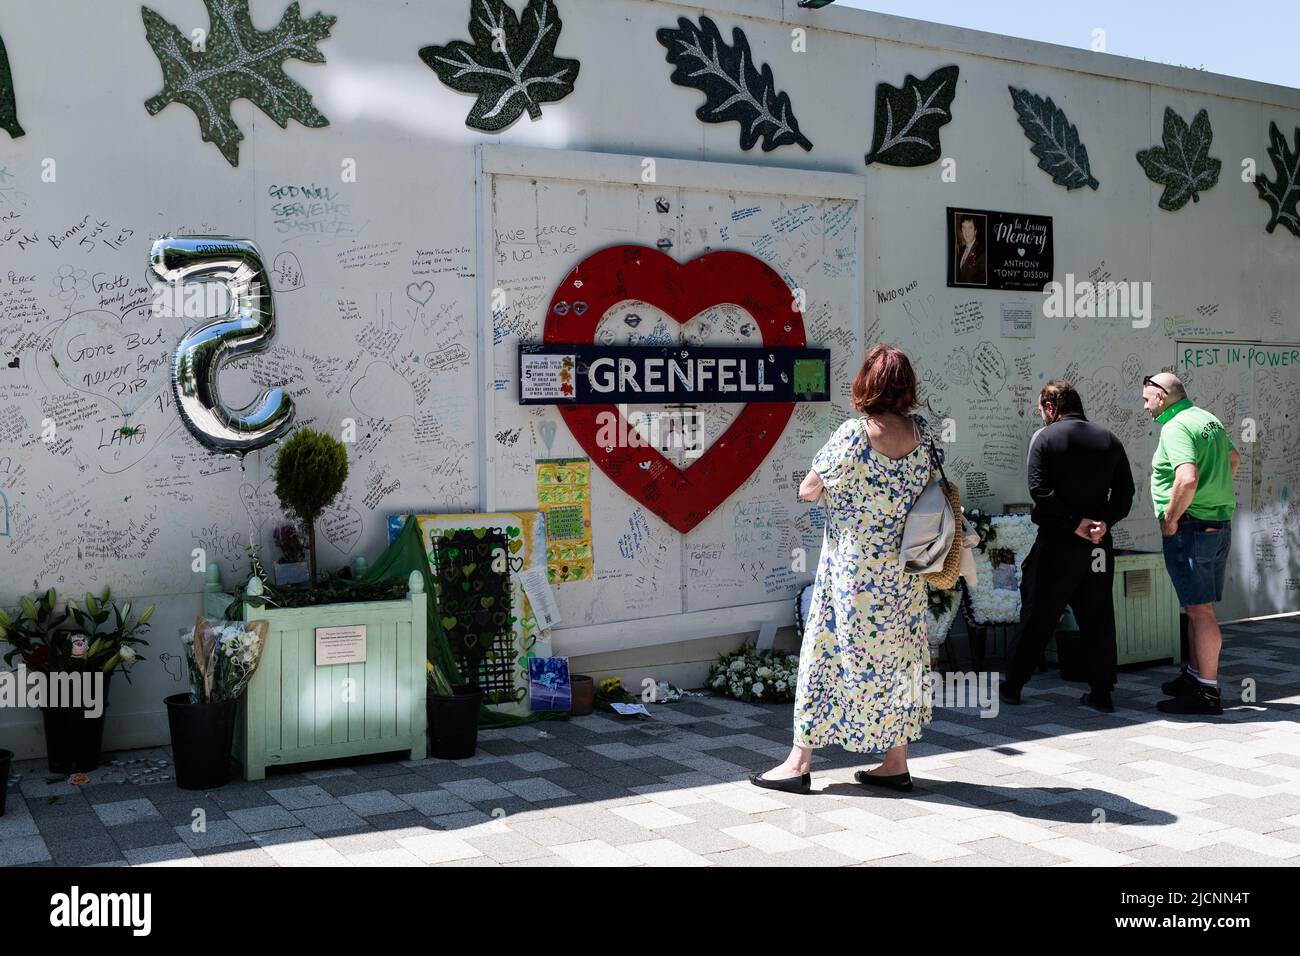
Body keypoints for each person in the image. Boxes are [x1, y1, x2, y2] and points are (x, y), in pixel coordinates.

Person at [752, 345, 938, 794]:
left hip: (853, 575)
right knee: (899, 660)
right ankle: (895, 762)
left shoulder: (855, 434)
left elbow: (808, 490)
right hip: (905, 573)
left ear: (866, 384)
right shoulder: (924, 434)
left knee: (826, 656)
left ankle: (799, 763)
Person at [1000, 380, 1134, 712]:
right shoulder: (1109, 440)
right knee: (1099, 616)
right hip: (1098, 545)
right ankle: (1102, 692)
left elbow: (1039, 491)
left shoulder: (1045, 439)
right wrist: (1102, 522)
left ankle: (1014, 685)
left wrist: (1074, 523)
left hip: (1058, 543)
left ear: (1049, 407)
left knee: (1038, 615)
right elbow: (1125, 493)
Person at [1142, 372, 1240, 716]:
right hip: (1217, 524)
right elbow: (1233, 460)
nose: (1145, 406)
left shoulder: (1176, 426)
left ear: (1163, 396)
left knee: (1200, 611)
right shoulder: (1206, 419)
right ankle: (1196, 677)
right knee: (1199, 608)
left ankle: (1207, 693)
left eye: (1147, 399)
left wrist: (1170, 519)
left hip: (1191, 527)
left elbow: (1186, 477)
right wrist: (1213, 495)